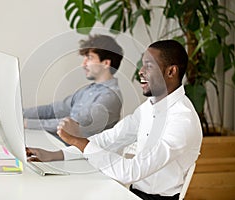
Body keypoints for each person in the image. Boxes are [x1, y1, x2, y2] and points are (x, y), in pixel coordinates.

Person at [26, 40, 203, 200]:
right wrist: (56, 155)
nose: (140, 71)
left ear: (171, 71)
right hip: (132, 191)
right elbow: (109, 139)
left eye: (149, 66)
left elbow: (131, 171)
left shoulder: (182, 120)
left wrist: (78, 141)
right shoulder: (148, 107)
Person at [23, 34, 124, 142]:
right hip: (60, 144)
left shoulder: (110, 97)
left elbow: (72, 124)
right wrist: (20, 113)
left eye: (89, 58)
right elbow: (53, 110)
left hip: (78, 155)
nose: (83, 64)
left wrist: (26, 123)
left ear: (106, 63)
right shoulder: (87, 90)